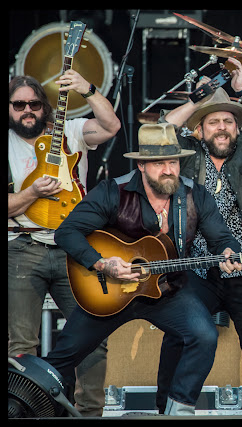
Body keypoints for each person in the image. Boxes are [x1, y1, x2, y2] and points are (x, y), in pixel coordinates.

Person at [43, 123, 242, 416]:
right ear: (141, 165)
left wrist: (228, 252)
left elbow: (221, 238)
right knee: (63, 357)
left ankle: (178, 410)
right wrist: (102, 263)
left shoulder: (194, 195)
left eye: (173, 162)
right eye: (159, 163)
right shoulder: (113, 191)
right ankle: (30, 406)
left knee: (204, 336)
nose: (168, 170)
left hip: (167, 291)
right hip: (108, 293)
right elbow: (67, 232)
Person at [154, 56, 242, 415]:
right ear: (201, 131)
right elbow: (160, 131)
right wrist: (197, 102)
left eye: (228, 121)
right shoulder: (187, 156)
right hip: (199, 269)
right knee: (179, 336)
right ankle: (167, 409)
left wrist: (241, 89)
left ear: (237, 129)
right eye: (214, 122)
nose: (222, 127)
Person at [8, 72, 120, 416]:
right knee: (20, 347)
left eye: (34, 103)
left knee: (92, 337)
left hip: (74, 249)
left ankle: (89, 414)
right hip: (21, 247)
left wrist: (87, 88)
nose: (27, 110)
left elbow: (112, 126)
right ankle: (25, 413)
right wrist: (31, 193)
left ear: (45, 105)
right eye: (18, 105)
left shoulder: (71, 131)